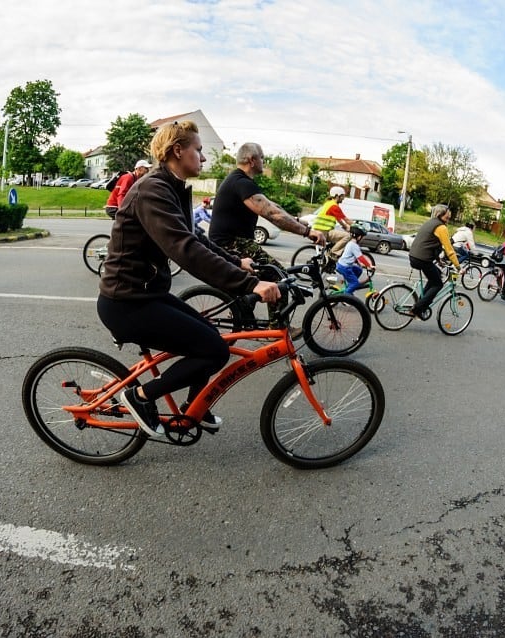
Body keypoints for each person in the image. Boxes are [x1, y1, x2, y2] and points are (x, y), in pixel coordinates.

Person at [97, 120, 280, 437]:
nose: (204, 158)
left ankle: (195, 402)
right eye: (198, 150)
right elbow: (185, 250)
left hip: (146, 294)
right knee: (213, 350)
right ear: (177, 151)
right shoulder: (152, 190)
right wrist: (249, 284)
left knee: (211, 335)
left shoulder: (171, 187)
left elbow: (195, 238)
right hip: (126, 302)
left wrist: (238, 262)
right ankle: (140, 397)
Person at [208, 142, 325, 278]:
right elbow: (273, 215)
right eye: (262, 158)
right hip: (230, 244)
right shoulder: (241, 183)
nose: (264, 161)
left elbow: (274, 207)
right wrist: (307, 232)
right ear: (252, 160)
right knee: (280, 278)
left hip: (234, 242)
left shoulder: (241, 181)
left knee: (256, 284)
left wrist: (298, 221)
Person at [407, 204, 461, 319]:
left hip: (414, 256)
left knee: (436, 275)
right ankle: (416, 309)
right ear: (441, 214)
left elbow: (430, 243)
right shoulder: (441, 228)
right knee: (438, 284)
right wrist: (458, 266)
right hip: (423, 259)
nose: (448, 218)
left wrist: (438, 260)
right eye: (447, 216)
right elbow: (449, 249)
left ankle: (421, 303)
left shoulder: (430, 222)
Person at [310, 185, 353, 262]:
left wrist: (346, 227)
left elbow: (339, 219)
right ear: (337, 196)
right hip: (323, 231)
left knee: (338, 238)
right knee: (347, 236)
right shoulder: (334, 206)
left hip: (319, 229)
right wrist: (357, 226)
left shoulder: (329, 203)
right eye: (342, 196)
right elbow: (346, 220)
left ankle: (329, 256)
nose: (344, 198)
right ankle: (331, 254)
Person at [335, 225, 372, 294]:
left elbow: (350, 256)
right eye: (362, 237)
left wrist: (360, 264)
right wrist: (369, 265)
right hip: (344, 267)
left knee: (359, 270)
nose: (362, 239)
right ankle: (346, 296)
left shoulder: (350, 243)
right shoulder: (354, 246)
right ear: (359, 237)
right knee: (355, 283)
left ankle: (350, 286)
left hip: (342, 265)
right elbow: (361, 258)